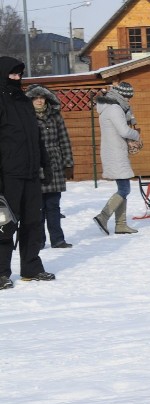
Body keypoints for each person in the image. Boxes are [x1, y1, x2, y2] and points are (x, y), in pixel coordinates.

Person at [0, 56, 54, 289]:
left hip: (30, 172)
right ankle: (1, 272)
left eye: (19, 74)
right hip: (8, 173)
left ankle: (31, 267)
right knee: (5, 223)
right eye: (12, 74)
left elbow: (36, 135)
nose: (17, 77)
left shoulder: (23, 100)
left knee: (32, 221)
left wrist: (45, 163)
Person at [25, 85, 74, 248]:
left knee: (53, 205)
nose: (39, 101)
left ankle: (58, 239)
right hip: (35, 164)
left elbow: (64, 140)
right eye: (35, 98)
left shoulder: (55, 116)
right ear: (31, 100)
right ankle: (38, 240)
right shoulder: (26, 117)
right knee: (37, 208)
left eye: (42, 97)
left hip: (55, 164)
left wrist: (68, 163)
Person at [93, 81, 140, 235]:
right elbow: (124, 131)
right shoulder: (115, 108)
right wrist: (136, 135)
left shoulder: (107, 107)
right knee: (125, 189)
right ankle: (103, 216)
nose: (128, 101)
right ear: (120, 95)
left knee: (122, 188)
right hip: (116, 153)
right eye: (127, 97)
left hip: (112, 152)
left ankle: (121, 225)